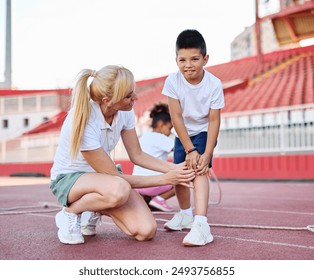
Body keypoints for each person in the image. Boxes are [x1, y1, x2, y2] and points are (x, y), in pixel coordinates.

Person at [50, 65, 195, 245]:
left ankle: (94, 207)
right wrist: (167, 178)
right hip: (69, 181)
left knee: (146, 231)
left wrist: (176, 169)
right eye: (128, 96)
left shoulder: (124, 112)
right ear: (107, 100)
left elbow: (138, 155)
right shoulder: (84, 119)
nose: (135, 98)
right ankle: (71, 212)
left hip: (105, 181)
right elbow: (115, 176)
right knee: (119, 189)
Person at [161, 29, 224, 246]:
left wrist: (206, 153)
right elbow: (176, 117)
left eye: (195, 59)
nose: (189, 65)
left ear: (205, 59)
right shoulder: (172, 81)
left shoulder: (214, 84)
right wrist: (189, 149)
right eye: (182, 60)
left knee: (198, 170)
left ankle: (201, 224)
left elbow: (214, 120)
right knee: (180, 172)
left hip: (205, 131)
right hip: (183, 133)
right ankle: (186, 214)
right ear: (176, 60)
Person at [133, 103, 175, 212]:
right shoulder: (161, 138)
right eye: (169, 128)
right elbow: (179, 149)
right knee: (183, 179)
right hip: (152, 184)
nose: (170, 132)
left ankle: (148, 201)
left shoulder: (144, 136)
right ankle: (159, 199)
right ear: (161, 124)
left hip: (137, 184)